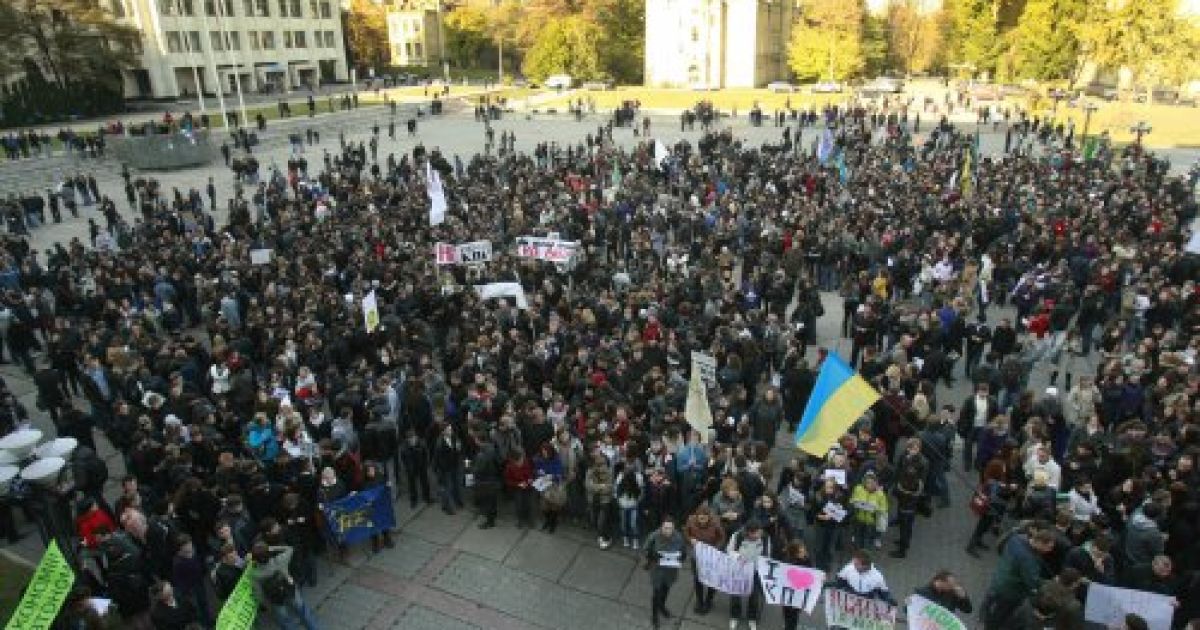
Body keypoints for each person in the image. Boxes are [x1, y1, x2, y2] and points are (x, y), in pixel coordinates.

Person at [982, 528, 1056, 629]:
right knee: (999, 617)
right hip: (1010, 593)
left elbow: (1002, 546)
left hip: (999, 579)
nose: (1050, 550)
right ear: (1040, 542)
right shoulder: (1029, 560)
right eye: (1049, 547)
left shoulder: (1017, 538)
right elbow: (1033, 582)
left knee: (991, 607)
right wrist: (1051, 583)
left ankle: (986, 619)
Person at [251, 541, 322, 630]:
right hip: (290, 591)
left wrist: (268, 606)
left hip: (276, 600)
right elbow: (290, 549)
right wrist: (272, 548)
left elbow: (259, 595)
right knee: (303, 612)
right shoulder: (280, 560)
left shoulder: (255, 574)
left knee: (285, 621)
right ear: (268, 553)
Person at [727, 519, 773, 630]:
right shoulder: (737, 536)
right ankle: (735, 616)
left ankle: (752, 618)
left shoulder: (766, 538)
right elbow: (729, 550)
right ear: (748, 532)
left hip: (756, 572)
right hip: (739, 570)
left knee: (754, 596)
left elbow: (768, 554)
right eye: (754, 533)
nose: (757, 535)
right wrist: (738, 557)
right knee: (736, 594)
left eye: (759, 532)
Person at [644, 517, 687, 629]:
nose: (667, 531)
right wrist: (653, 554)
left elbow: (683, 552)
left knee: (666, 589)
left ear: (673, 529)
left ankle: (662, 607)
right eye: (665, 528)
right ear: (661, 527)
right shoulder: (654, 536)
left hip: (671, 571)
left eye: (670, 528)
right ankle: (654, 616)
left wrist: (682, 557)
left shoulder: (678, 538)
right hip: (657, 570)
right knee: (656, 593)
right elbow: (646, 549)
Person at [684, 504, 725, 615]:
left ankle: (708, 601)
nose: (703, 521)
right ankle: (700, 600)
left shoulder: (715, 522)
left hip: (711, 554)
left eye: (705, 518)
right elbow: (686, 532)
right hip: (697, 554)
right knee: (698, 579)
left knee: (712, 579)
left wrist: (714, 549)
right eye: (700, 518)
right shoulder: (691, 520)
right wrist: (690, 539)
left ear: (709, 517)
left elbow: (722, 537)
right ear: (697, 516)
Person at [779, 540, 814, 630]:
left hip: (799, 593)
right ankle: (788, 626)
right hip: (787, 594)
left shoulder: (807, 560)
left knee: (794, 615)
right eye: (801, 552)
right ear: (794, 553)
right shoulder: (787, 561)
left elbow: (813, 574)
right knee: (787, 614)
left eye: (804, 550)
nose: (804, 553)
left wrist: (820, 577)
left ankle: (790, 627)